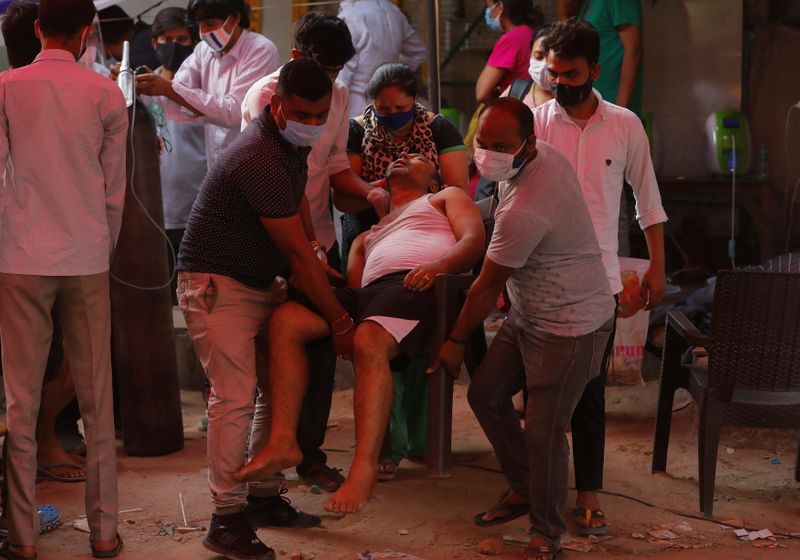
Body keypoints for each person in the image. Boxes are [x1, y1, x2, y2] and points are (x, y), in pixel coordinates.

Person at [234, 152, 485, 515]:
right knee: (286, 319)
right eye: (402, 157)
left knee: (369, 337)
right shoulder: (367, 237)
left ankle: (363, 469)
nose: (405, 157)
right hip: (373, 296)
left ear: (433, 182)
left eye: (416, 158)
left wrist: (438, 267)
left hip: (420, 284)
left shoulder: (444, 197)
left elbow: (474, 241)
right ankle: (284, 440)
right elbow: (357, 290)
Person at [176, 58, 356, 560]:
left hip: (254, 280)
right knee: (232, 399)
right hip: (216, 285)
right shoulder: (257, 154)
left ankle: (261, 500)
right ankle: (225, 519)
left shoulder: (288, 144)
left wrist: (317, 253)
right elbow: (296, 253)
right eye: (302, 113)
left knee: (275, 391)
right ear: (276, 104)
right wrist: (339, 319)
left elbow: (298, 206)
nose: (313, 124)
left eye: (321, 116)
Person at [430, 97, 615, 560]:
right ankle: (525, 487)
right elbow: (492, 207)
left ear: (528, 145)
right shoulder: (534, 161)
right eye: (482, 142)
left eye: (501, 146)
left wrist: (454, 343)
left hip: (570, 326)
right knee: (487, 394)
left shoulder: (527, 209)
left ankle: (546, 535)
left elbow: (485, 284)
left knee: (543, 431)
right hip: (529, 314)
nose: (487, 153)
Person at [0, 0, 127, 557]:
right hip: (85, 255)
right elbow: (114, 191)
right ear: (84, 32)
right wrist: (103, 247)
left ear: (34, 29)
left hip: (19, 256)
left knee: (20, 404)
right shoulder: (105, 92)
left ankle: (23, 542)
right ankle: (102, 535)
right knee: (98, 399)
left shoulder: (5, 87)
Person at [242, 12, 386, 497]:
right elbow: (286, 183)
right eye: (325, 69)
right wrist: (305, 253)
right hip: (278, 240)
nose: (332, 83)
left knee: (323, 349)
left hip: (320, 240)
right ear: (299, 57)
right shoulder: (267, 95)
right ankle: (263, 478)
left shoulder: (341, 96)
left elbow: (337, 171)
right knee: (276, 358)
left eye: (339, 71)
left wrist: (374, 196)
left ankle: (308, 457)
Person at [533, 18, 666, 536]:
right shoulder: (536, 120)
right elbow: (508, 194)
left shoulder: (625, 125)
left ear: (595, 68)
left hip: (600, 281)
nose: (561, 83)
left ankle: (587, 490)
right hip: (538, 277)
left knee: (588, 388)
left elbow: (647, 199)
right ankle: (535, 485)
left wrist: (658, 265)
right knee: (539, 389)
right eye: (554, 74)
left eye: (571, 74)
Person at [339, 62, 469, 270]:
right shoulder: (356, 131)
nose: (392, 114)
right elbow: (344, 199)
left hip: (427, 235)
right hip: (368, 234)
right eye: (383, 108)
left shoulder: (438, 129)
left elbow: (458, 192)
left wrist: (397, 194)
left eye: (400, 108)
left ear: (414, 99)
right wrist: (392, 189)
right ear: (372, 102)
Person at [136, 0, 280, 169]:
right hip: (217, 168)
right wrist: (143, 84)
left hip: (253, 166)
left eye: (210, 24)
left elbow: (233, 113)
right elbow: (173, 101)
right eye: (200, 25)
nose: (204, 32)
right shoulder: (204, 51)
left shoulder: (260, 50)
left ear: (234, 18)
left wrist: (168, 89)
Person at [144, 7, 207, 304]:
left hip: (195, 209)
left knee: (192, 300)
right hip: (152, 211)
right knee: (158, 300)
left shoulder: (200, 91)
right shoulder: (137, 88)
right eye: (167, 39)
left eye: (182, 39)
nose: (174, 46)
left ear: (193, 43)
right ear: (154, 43)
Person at [337, 0, 427, 118]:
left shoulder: (350, 17)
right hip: (388, 104)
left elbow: (341, 76)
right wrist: (393, 74)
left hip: (355, 107)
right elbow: (419, 52)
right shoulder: (394, 12)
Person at [476, 0, 544, 103]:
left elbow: (481, 93)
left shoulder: (511, 39)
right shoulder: (533, 34)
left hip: (515, 110)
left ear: (500, 7)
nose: (488, 12)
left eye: (489, 7)